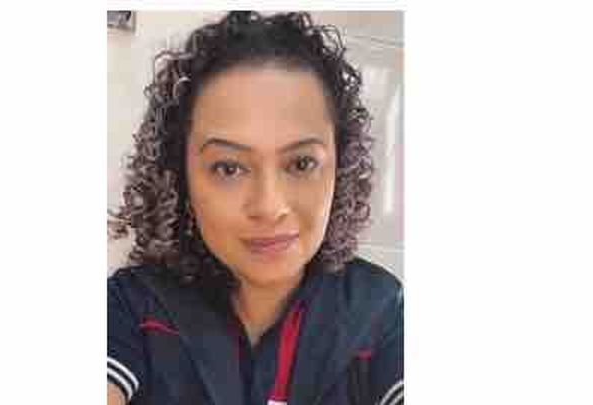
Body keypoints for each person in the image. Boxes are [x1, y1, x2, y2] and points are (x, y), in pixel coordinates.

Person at [107, 11, 403, 405]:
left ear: (340, 167)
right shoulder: (130, 307)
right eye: (229, 168)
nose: (269, 206)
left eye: (301, 163)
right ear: (180, 176)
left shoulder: (381, 312)